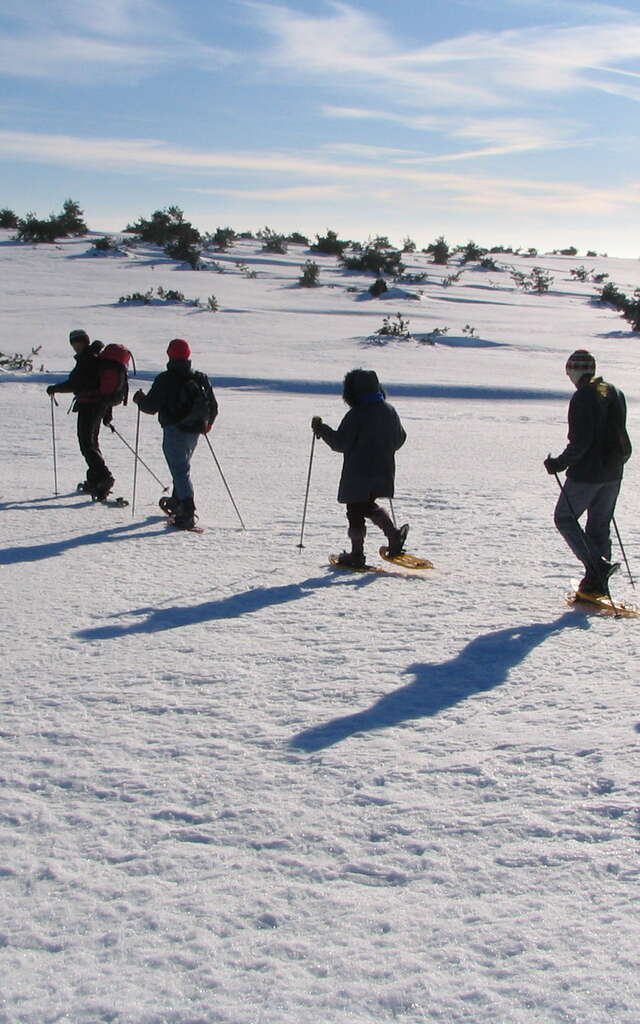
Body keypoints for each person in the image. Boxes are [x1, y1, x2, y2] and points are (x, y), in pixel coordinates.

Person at [544, 349, 631, 594]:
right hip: (614, 471)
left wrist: (559, 463)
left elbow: (581, 441)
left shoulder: (583, 396)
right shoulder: (613, 390)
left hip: (587, 473)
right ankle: (596, 582)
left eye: (569, 371)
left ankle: (597, 569)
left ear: (573, 371)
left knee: (564, 518)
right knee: (599, 525)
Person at [312, 368, 408, 568]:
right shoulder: (389, 411)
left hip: (358, 472)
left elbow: (340, 443)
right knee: (366, 505)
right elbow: (400, 438)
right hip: (383, 468)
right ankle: (393, 536)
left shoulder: (356, 414)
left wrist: (321, 429)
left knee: (355, 508)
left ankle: (357, 555)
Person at [133, 338, 217, 530]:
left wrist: (139, 400)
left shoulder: (165, 378)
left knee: (180, 470)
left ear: (170, 355)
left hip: (174, 429)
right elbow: (213, 406)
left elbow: (150, 407)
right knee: (182, 468)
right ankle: (178, 501)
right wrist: (207, 425)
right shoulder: (200, 377)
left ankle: (187, 511)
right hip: (195, 430)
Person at [46, 329, 115, 500]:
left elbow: (75, 383)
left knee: (86, 444)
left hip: (90, 405)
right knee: (91, 442)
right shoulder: (93, 358)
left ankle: (104, 477)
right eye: (73, 343)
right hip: (97, 405)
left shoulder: (88, 359)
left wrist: (55, 388)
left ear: (85, 341)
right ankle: (95, 479)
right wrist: (107, 411)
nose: (75, 346)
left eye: (78, 342)